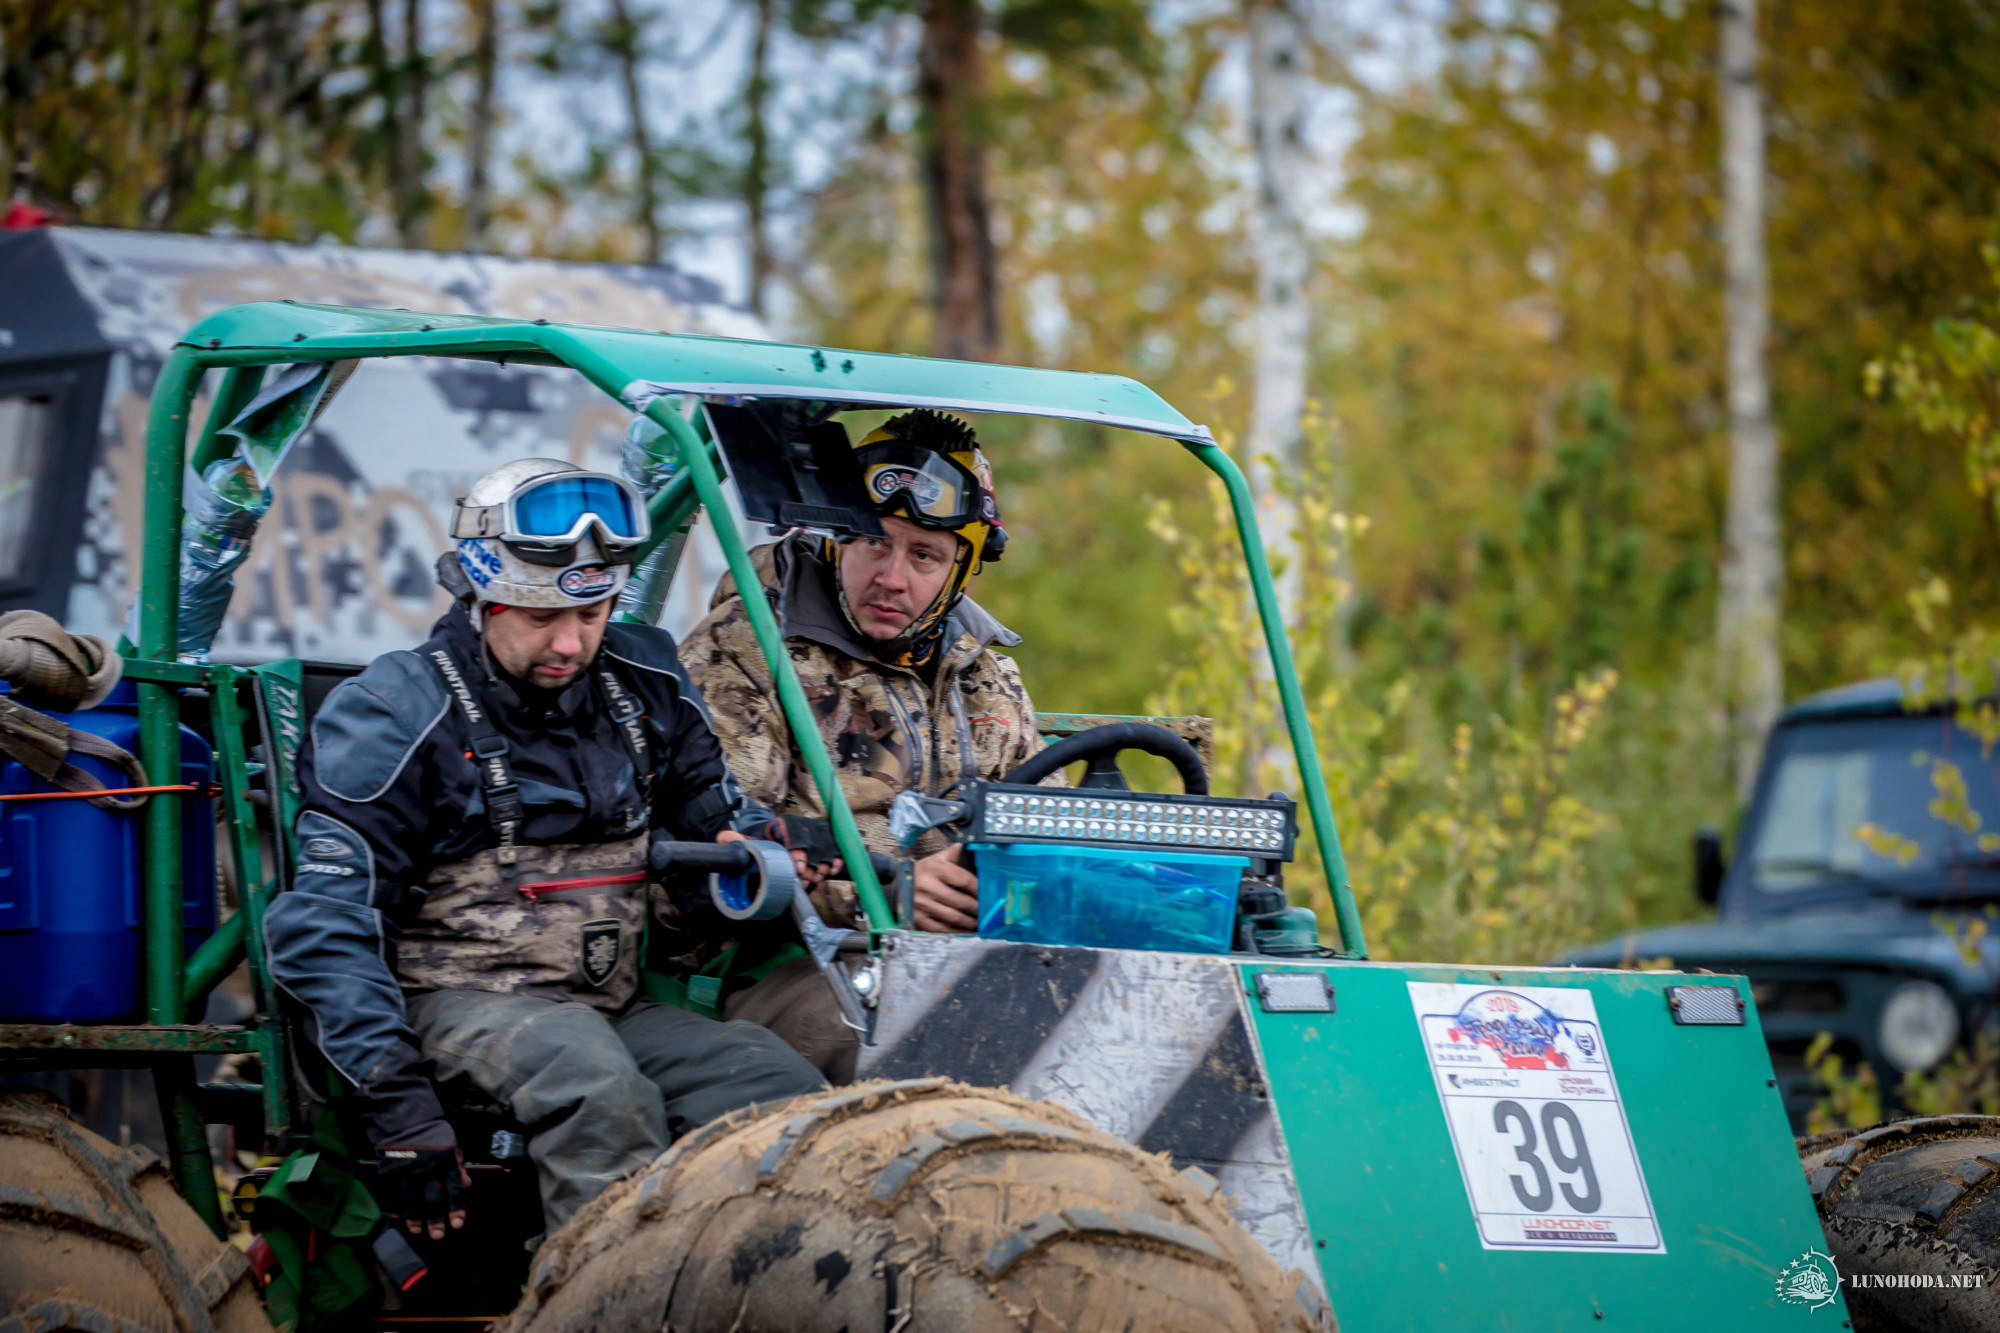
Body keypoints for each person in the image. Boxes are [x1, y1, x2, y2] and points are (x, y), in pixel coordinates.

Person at [264, 459, 827, 1244]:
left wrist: (757, 857)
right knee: (594, 1082)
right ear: (481, 595)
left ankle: (755, 1285)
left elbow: (715, 834)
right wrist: (398, 1109)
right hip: (442, 1002)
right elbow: (323, 933)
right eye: (539, 616)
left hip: (606, 1005)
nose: (571, 642)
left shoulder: (647, 683)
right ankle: (601, 1294)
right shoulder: (392, 713)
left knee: (778, 1085)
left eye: (593, 612)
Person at [677, 409, 1062, 1081]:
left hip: (968, 957)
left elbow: (1048, 828)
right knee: (941, 1040)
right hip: (787, 962)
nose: (892, 577)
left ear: (962, 571)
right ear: (834, 537)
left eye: (924, 556)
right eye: (873, 543)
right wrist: (893, 886)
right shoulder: (744, 648)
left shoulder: (990, 678)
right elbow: (723, 845)